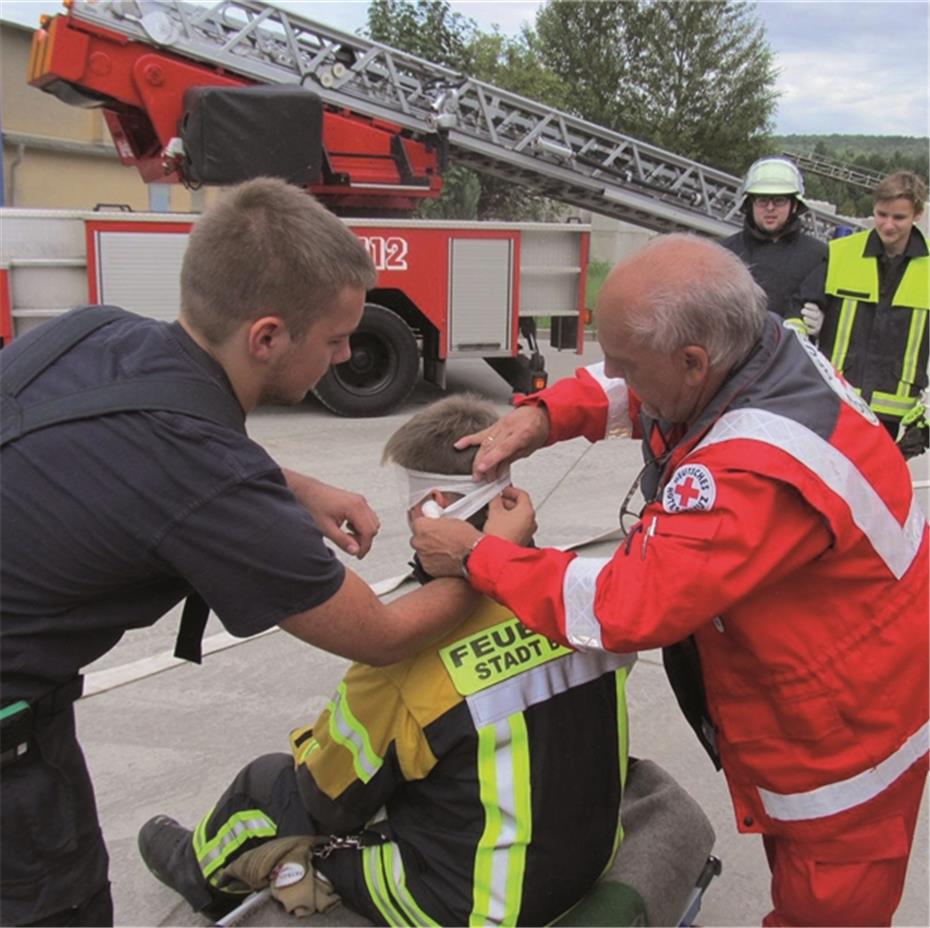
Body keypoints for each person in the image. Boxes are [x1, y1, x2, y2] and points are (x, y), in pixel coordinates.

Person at [0, 179, 497, 928]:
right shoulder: (208, 481)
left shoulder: (91, 331)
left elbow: (144, 445)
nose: (340, 358)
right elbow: (381, 634)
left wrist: (290, 487)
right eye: (334, 341)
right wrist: (498, 560)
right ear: (267, 337)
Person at [411, 235, 930, 927]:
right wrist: (545, 415)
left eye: (626, 362)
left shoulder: (753, 472)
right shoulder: (753, 344)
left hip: (845, 739)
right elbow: (626, 380)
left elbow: (626, 605)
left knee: (825, 906)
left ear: (693, 361)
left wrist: (476, 556)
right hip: (840, 665)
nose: (615, 376)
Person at [134, 395, 666, 927]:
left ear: (435, 504)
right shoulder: (579, 594)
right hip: (587, 860)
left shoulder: (399, 662)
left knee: (269, 785)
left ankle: (196, 871)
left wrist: (316, 744)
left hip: (471, 907)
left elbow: (324, 798)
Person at [803, 170, 929, 454]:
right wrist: (810, 323)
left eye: (898, 218)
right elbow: (796, 313)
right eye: (881, 214)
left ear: (917, 215)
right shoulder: (840, 253)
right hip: (835, 401)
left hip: (893, 416)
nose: (887, 225)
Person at [720, 157, 827, 339]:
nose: (770, 208)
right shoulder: (725, 253)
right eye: (762, 200)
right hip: (732, 356)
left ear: (794, 205)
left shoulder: (818, 255)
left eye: (779, 200)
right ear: (750, 204)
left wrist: (825, 324)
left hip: (786, 361)